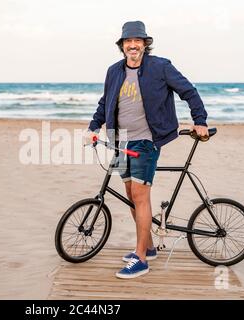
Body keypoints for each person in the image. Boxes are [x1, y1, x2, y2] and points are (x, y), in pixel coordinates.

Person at [87, 21, 209, 279]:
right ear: (122, 46)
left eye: (137, 41)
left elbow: (189, 91)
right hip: (120, 142)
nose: (133, 45)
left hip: (145, 141)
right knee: (131, 195)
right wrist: (93, 127)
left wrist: (200, 121)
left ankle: (140, 259)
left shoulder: (160, 67)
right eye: (128, 41)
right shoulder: (114, 71)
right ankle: (149, 247)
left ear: (145, 44)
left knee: (141, 197)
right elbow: (105, 102)